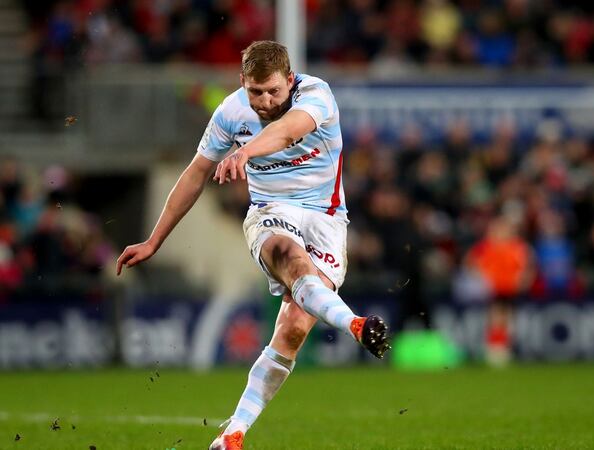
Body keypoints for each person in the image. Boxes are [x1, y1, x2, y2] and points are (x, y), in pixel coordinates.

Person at [115, 40, 390, 450]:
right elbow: (195, 174)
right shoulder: (230, 111)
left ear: (290, 81)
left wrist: (245, 152)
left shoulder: (317, 94)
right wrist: (155, 239)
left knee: (294, 330)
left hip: (327, 219)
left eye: (272, 92)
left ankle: (231, 434)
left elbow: (287, 131)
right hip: (270, 212)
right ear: (243, 81)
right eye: (254, 91)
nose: (263, 101)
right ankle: (355, 325)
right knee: (288, 257)